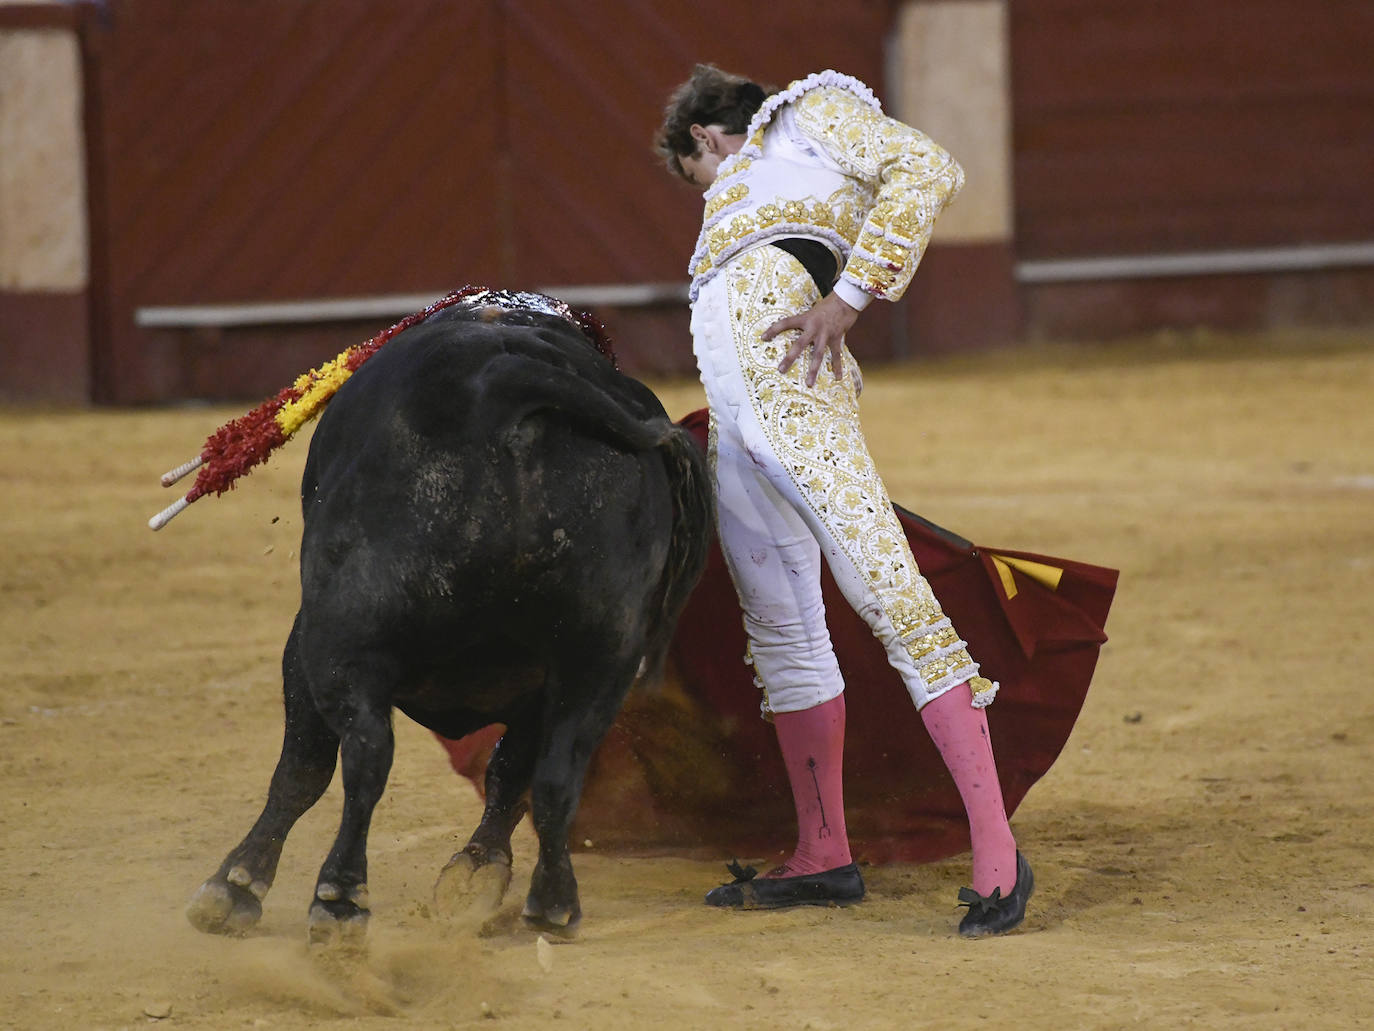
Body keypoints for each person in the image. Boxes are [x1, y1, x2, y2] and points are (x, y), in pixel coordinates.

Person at [654, 64, 1032, 936]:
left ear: (704, 141)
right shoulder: (745, 199)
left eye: (695, 175)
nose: (705, 192)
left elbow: (928, 167)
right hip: (740, 425)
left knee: (894, 600)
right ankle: (823, 853)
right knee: (784, 631)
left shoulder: (809, 114)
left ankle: (1000, 858)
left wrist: (851, 297)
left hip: (796, 393)